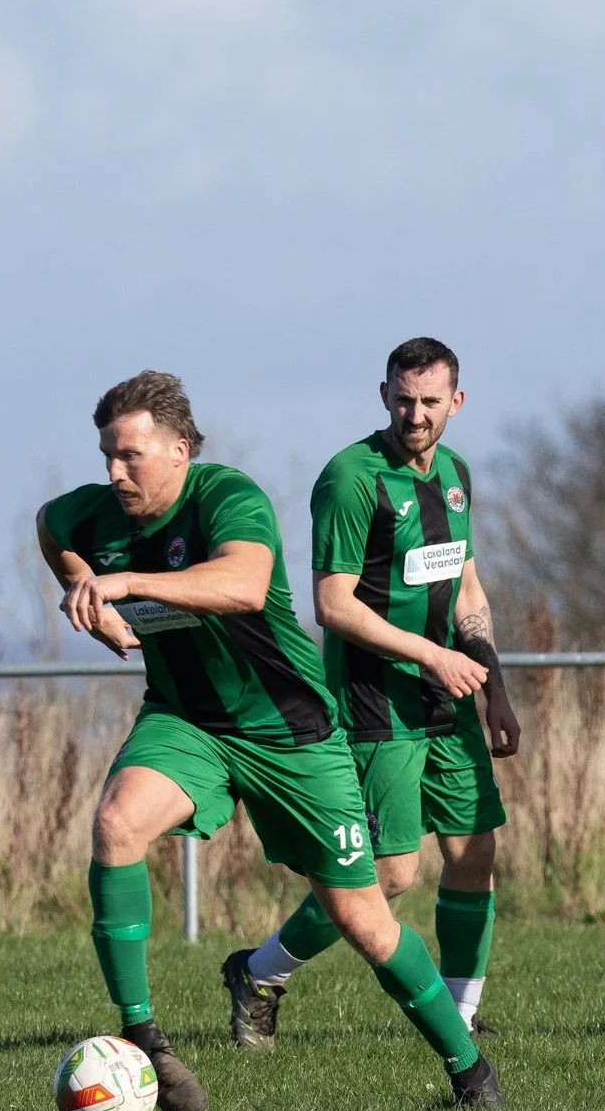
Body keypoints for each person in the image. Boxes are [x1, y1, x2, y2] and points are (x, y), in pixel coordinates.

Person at [36, 369, 503, 1111]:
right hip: (185, 720)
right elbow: (53, 531)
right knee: (116, 823)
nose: (116, 472)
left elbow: (245, 584)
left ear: (181, 449)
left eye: (132, 456)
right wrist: (82, 586)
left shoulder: (228, 497)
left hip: (291, 733)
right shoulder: (89, 516)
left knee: (364, 917)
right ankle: (145, 1041)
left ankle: (471, 1073)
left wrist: (126, 585)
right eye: (106, 457)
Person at [222, 338, 520, 1050]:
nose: (416, 415)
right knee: (387, 876)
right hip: (373, 702)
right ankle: (260, 973)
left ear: (457, 401)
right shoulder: (351, 479)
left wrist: (495, 685)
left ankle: (461, 1015)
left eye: (430, 401)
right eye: (403, 398)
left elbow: (467, 587)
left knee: (475, 852)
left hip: (450, 696)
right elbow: (334, 604)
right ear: (383, 393)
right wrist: (432, 655)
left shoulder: (455, 475)